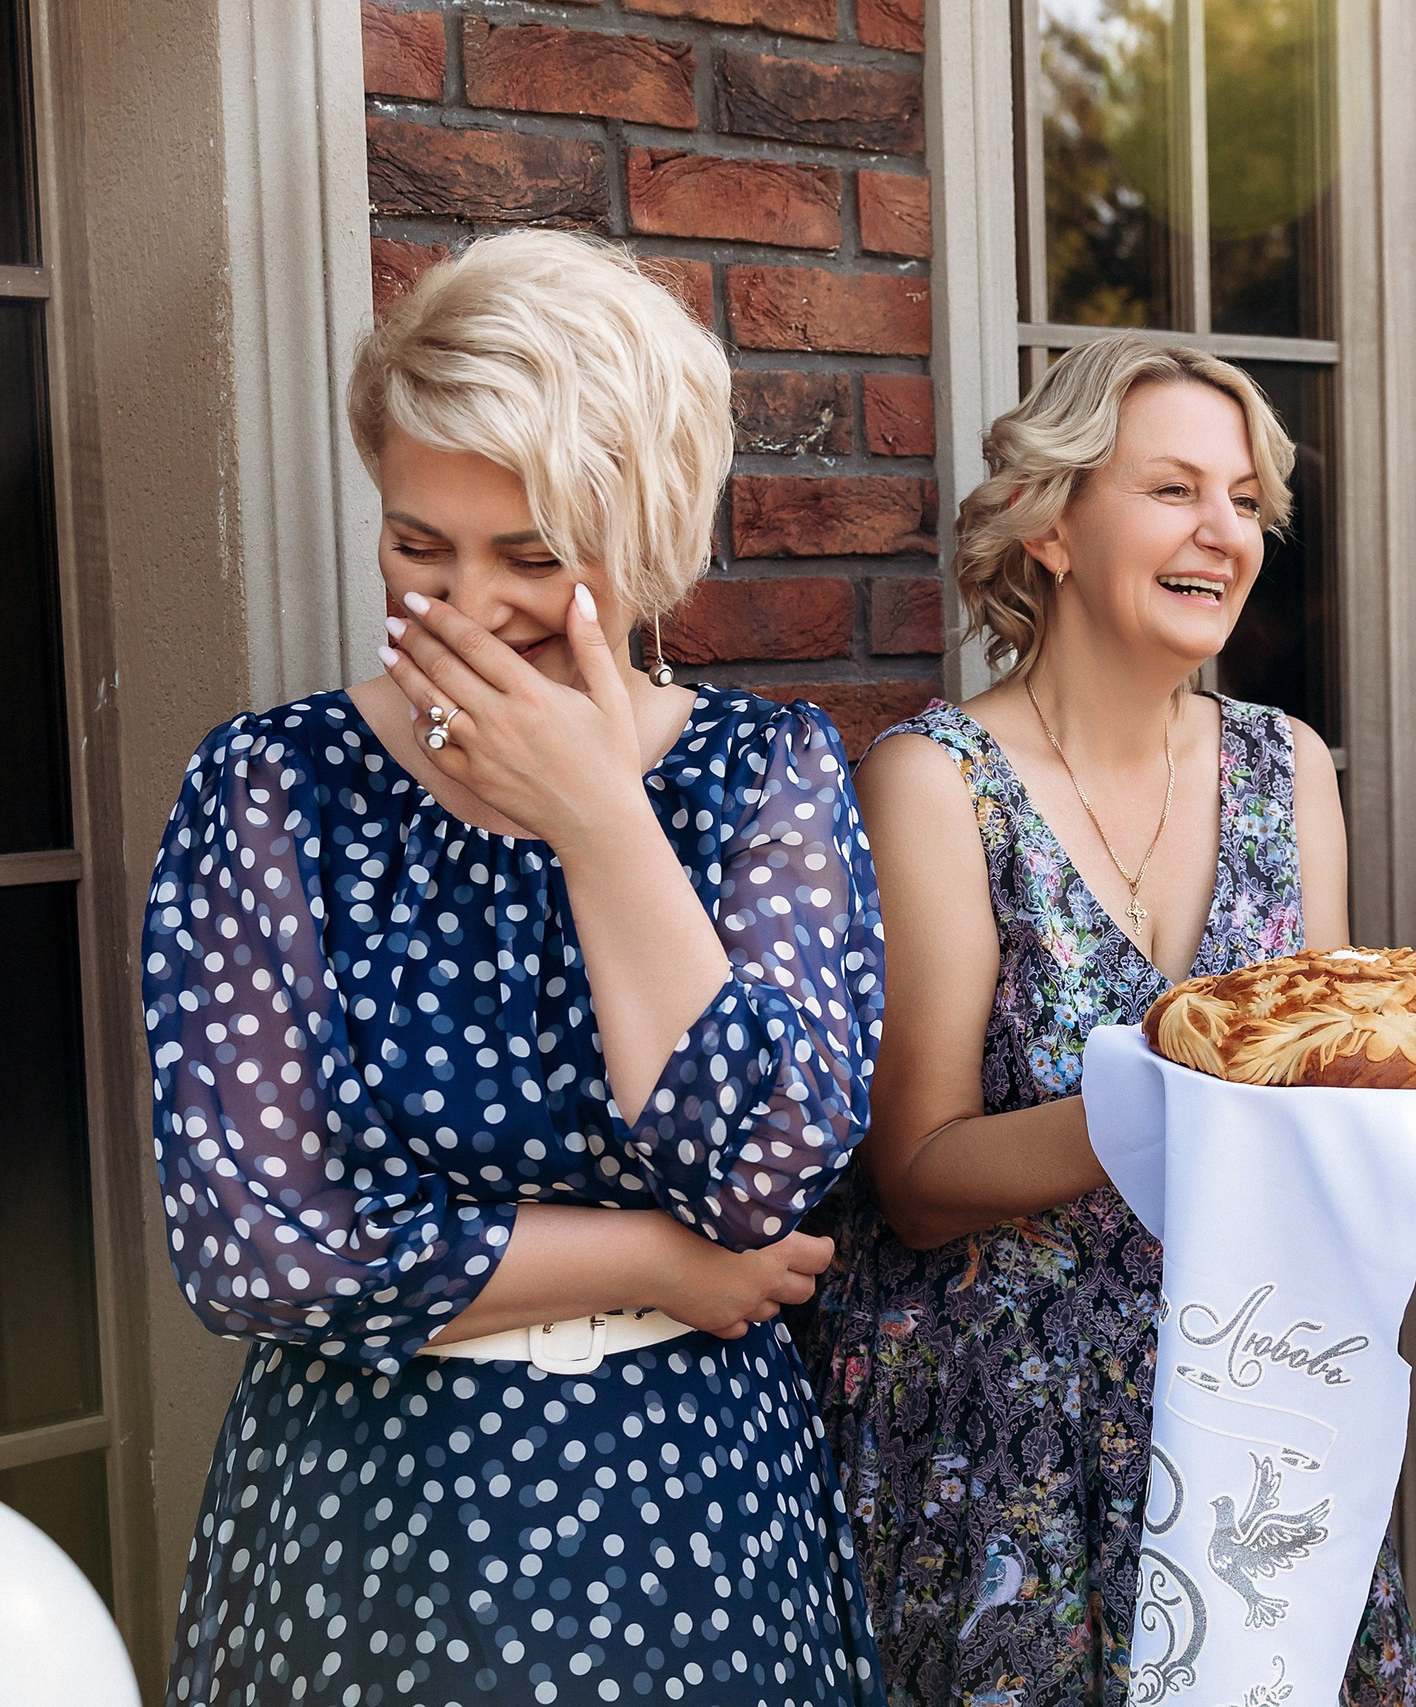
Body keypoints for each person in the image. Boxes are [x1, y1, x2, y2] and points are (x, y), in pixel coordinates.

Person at [144, 231, 887, 1705]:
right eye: (419, 544)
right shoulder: (272, 787)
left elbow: (762, 1171)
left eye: (534, 557)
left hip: (690, 1516)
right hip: (371, 1516)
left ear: (649, 533)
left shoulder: (762, 778)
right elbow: (259, 1244)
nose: (467, 606)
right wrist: (661, 1260)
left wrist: (603, 821)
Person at [806, 333, 1416, 1705]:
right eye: (1173, 491)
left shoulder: (1286, 764)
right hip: (1004, 1442)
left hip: (1248, 1406)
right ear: (1049, 526)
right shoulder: (935, 781)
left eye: (1246, 501)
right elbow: (914, 1181)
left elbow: (1312, 1105)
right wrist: (1177, 1091)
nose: (1227, 532)